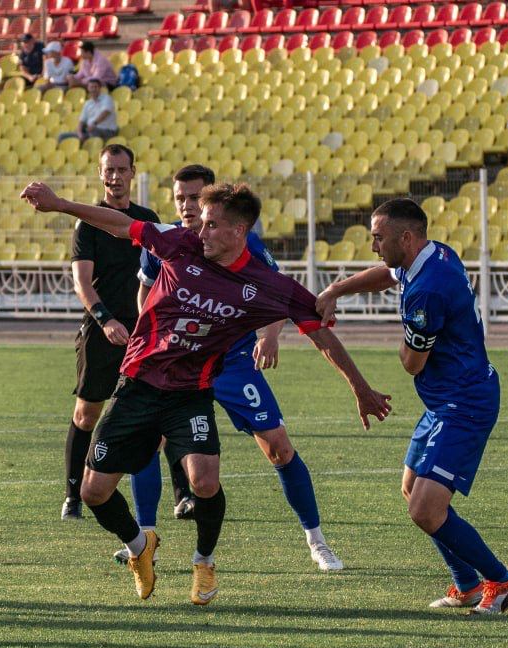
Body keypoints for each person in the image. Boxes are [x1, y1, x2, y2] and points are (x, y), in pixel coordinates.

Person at [22, 180, 391, 605]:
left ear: (239, 232)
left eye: (212, 224)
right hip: (139, 385)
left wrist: (360, 387)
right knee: (93, 493)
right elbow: (122, 226)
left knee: (205, 479)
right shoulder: (180, 243)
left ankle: (205, 562)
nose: (201, 231)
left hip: (191, 391)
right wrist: (61, 205)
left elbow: (321, 334)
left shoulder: (266, 281)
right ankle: (141, 545)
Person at [117, 164, 353, 572]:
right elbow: (146, 290)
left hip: (233, 362)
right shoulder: (170, 241)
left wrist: (270, 336)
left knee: (277, 445)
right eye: (180, 199)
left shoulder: (247, 245)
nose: (187, 207)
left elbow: (273, 297)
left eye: (195, 198)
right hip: (176, 365)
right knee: (146, 444)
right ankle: (144, 537)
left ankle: (317, 541)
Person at [315, 198, 508, 616]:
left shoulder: (427, 290)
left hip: (464, 403)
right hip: (446, 399)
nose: (373, 245)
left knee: (425, 509)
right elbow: (385, 275)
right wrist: (336, 288)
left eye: (378, 237)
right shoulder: (435, 254)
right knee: (413, 490)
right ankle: (465, 583)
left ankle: (502, 581)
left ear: (405, 238)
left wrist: (409, 330)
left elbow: (412, 363)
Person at [62, 145, 159, 520]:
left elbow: (162, 275)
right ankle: (73, 493)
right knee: (87, 414)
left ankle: (182, 494)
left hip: (143, 332)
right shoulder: (88, 223)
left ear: (133, 172)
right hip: (101, 331)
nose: (115, 177)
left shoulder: (147, 220)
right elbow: (82, 283)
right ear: (100, 173)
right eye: (109, 170)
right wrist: (106, 320)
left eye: (122, 169)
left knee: (155, 412)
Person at [58, 78, 117, 143]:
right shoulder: (88, 103)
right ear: (88, 88)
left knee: (92, 131)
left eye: (96, 87)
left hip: (107, 131)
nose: (94, 89)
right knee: (62, 136)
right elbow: (82, 121)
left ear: (100, 88)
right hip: (90, 131)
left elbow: (105, 112)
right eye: (91, 87)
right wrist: (80, 133)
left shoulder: (107, 98)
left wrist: (94, 124)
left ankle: (92, 149)